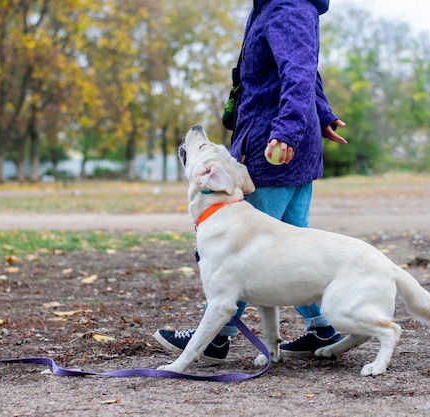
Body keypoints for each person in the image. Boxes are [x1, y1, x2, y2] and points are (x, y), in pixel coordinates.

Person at [154, 0, 348, 363]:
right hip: (285, 141)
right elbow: (302, 72)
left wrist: (289, 130)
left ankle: (216, 338)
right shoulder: (273, 6)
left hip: (275, 145)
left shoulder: (287, 7)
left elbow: (301, 71)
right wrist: (320, 113)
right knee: (293, 238)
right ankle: (320, 327)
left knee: (242, 245)